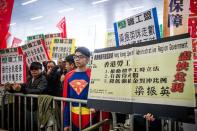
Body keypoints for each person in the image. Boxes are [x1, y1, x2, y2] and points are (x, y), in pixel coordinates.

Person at [63, 47, 109, 131]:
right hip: (73, 117)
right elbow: (66, 101)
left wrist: (95, 106)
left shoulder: (94, 75)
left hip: (91, 117)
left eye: (80, 57)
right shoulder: (68, 76)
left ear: (88, 59)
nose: (77, 59)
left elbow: (99, 96)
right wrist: (66, 122)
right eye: (75, 57)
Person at [10, 61, 47, 131]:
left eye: (36, 69)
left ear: (41, 69)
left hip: (38, 107)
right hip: (28, 106)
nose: (34, 71)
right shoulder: (29, 78)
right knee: (29, 126)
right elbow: (22, 87)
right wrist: (11, 88)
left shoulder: (43, 79)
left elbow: (38, 91)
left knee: (38, 126)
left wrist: (22, 88)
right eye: (32, 69)